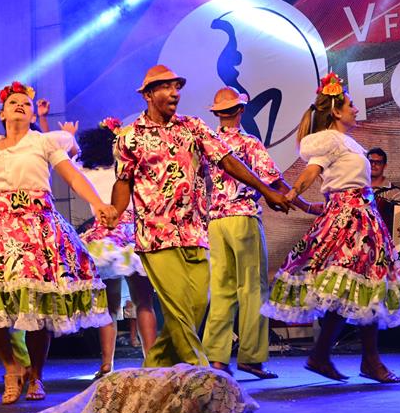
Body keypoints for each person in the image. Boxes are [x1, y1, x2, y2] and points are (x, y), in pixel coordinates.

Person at [0, 81, 115, 404]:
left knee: (36, 305)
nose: (20, 105)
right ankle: (11, 366)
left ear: (32, 114)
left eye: (25, 103)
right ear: (2, 113)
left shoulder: (42, 142)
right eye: (13, 102)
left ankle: (36, 376)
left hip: (38, 226)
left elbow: (73, 176)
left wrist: (98, 203)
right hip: (1, 225)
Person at [109, 65, 290, 369]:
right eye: (166, 87)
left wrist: (266, 190)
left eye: (177, 87)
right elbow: (123, 181)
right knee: (180, 309)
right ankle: (203, 372)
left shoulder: (193, 127)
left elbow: (227, 160)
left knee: (196, 307)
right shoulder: (129, 138)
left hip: (195, 231)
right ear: (149, 95)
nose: (175, 93)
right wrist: (115, 211)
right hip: (156, 235)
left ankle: (154, 369)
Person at [261, 72, 400, 383]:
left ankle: (334, 357)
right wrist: (292, 194)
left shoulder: (348, 143)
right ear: (336, 111)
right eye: (350, 105)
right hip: (348, 219)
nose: (355, 109)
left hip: (363, 216)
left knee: (362, 286)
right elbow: (312, 172)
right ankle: (355, 359)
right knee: (353, 286)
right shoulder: (328, 140)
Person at [203, 87, 319, 380]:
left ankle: (216, 358)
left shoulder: (207, 143)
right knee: (253, 289)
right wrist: (305, 205)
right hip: (242, 219)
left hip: (214, 223)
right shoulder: (248, 142)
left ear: (217, 114)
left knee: (221, 290)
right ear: (241, 110)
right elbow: (274, 181)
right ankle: (251, 358)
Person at [45, 110, 158, 379]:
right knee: (143, 301)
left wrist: (64, 133)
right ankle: (152, 360)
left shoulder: (87, 168)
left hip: (104, 238)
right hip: (132, 234)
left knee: (109, 307)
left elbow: (61, 154)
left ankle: (107, 364)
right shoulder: (131, 168)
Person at [367, 147, 400, 251]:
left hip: (384, 248)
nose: (373, 165)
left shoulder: (395, 193)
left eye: (378, 162)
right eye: (370, 162)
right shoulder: (356, 189)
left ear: (385, 166)